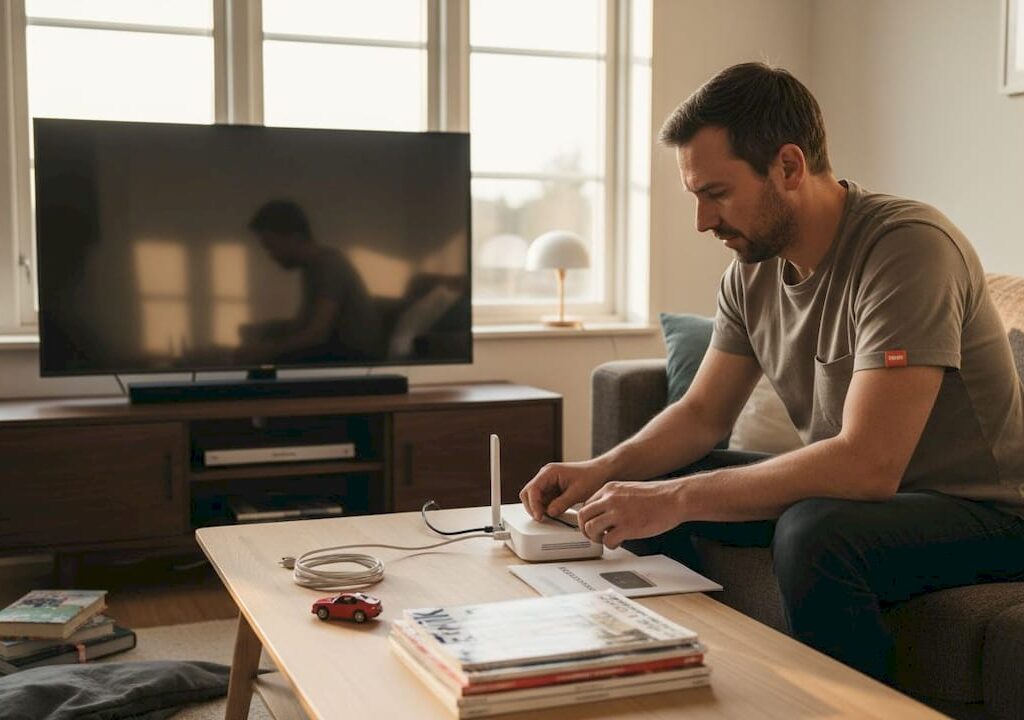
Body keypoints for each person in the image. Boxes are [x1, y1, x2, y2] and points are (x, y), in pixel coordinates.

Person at [519, 62, 1024, 680]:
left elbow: (868, 465)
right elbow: (703, 414)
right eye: (696, 196)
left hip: (988, 513)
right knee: (659, 478)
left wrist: (674, 499)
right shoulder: (751, 270)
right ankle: (672, 672)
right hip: (876, 501)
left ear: (788, 167)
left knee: (815, 534)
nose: (703, 221)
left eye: (717, 193)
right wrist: (600, 471)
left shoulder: (907, 248)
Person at [240, 200, 383, 364]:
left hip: (355, 358)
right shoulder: (311, 268)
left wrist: (267, 350)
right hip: (334, 349)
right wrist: (263, 334)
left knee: (261, 361)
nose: (270, 256)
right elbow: (304, 325)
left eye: (271, 246)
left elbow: (316, 334)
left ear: (294, 237)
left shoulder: (329, 266)